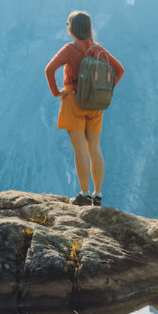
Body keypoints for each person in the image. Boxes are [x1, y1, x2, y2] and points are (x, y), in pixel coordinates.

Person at [45, 11, 124, 206]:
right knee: (95, 149)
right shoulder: (98, 50)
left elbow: (49, 69)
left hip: (73, 101)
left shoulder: (69, 49)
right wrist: (107, 92)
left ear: (72, 28)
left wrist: (57, 92)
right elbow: (119, 69)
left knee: (80, 151)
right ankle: (97, 195)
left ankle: (84, 194)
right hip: (95, 103)